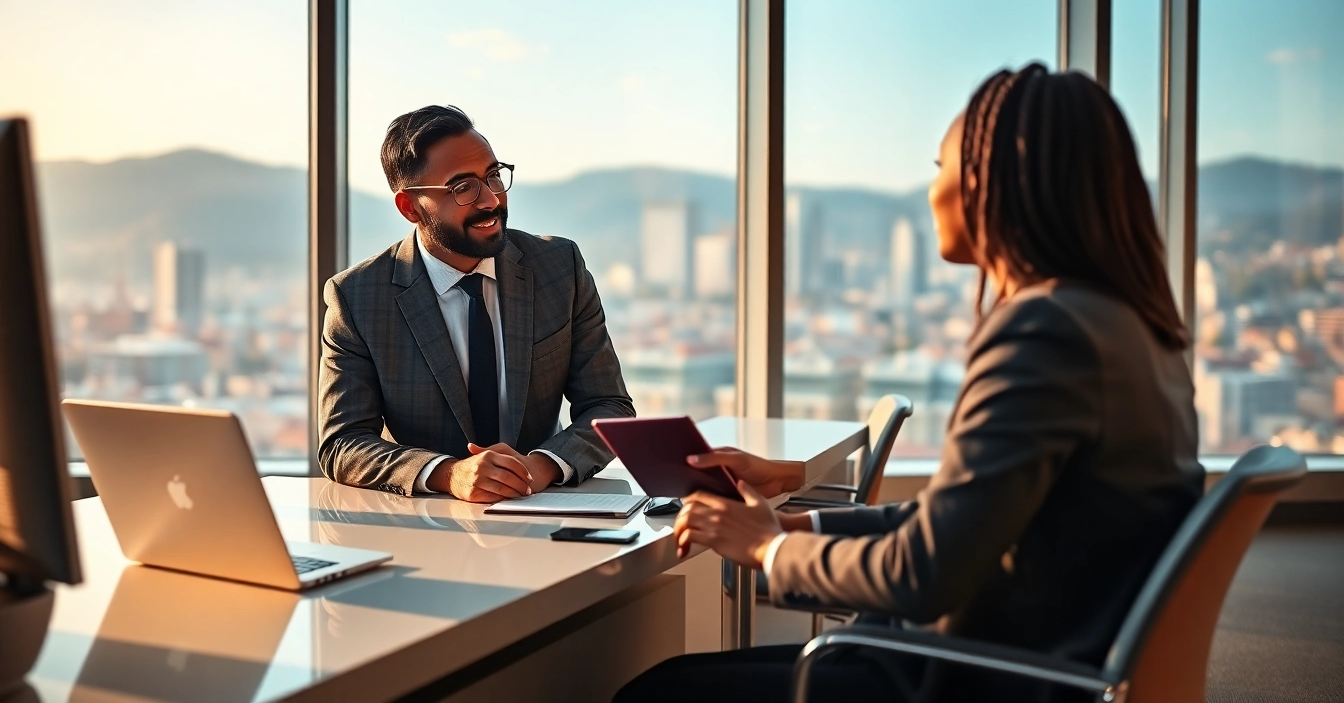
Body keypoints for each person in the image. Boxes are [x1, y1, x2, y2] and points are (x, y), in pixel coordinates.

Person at [615, 64, 1206, 702]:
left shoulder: (1045, 332)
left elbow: (924, 572)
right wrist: (793, 528)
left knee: (656, 694)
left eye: (941, 166)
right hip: (1024, 662)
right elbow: (949, 523)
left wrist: (767, 550)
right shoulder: (1130, 329)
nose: (932, 191)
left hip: (965, 679)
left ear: (990, 183)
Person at [318, 105, 635, 500]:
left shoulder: (558, 268)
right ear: (410, 207)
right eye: (462, 187)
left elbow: (610, 406)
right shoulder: (358, 298)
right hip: (428, 528)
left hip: (543, 509)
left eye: (493, 176)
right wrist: (447, 473)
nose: (490, 200)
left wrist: (541, 465)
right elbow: (342, 443)